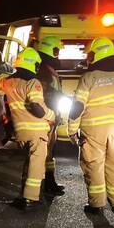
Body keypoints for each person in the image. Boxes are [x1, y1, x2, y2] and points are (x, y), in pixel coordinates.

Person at [69, 37, 114, 214]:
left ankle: (97, 205)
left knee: (94, 166)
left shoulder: (89, 77)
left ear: (98, 53)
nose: (89, 58)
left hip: (93, 131)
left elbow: (78, 107)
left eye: (90, 54)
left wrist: (72, 130)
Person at [0, 46, 54, 209]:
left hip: (20, 132)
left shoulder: (8, 81)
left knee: (28, 163)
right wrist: (52, 115)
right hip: (37, 131)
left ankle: (24, 195)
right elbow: (36, 107)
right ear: (33, 64)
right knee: (36, 165)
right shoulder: (32, 82)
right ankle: (31, 199)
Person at [35, 35, 66, 196]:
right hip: (46, 118)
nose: (58, 54)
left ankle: (49, 182)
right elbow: (45, 93)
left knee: (50, 152)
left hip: (52, 117)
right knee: (45, 152)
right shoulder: (43, 69)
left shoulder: (46, 67)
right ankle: (44, 185)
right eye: (56, 51)